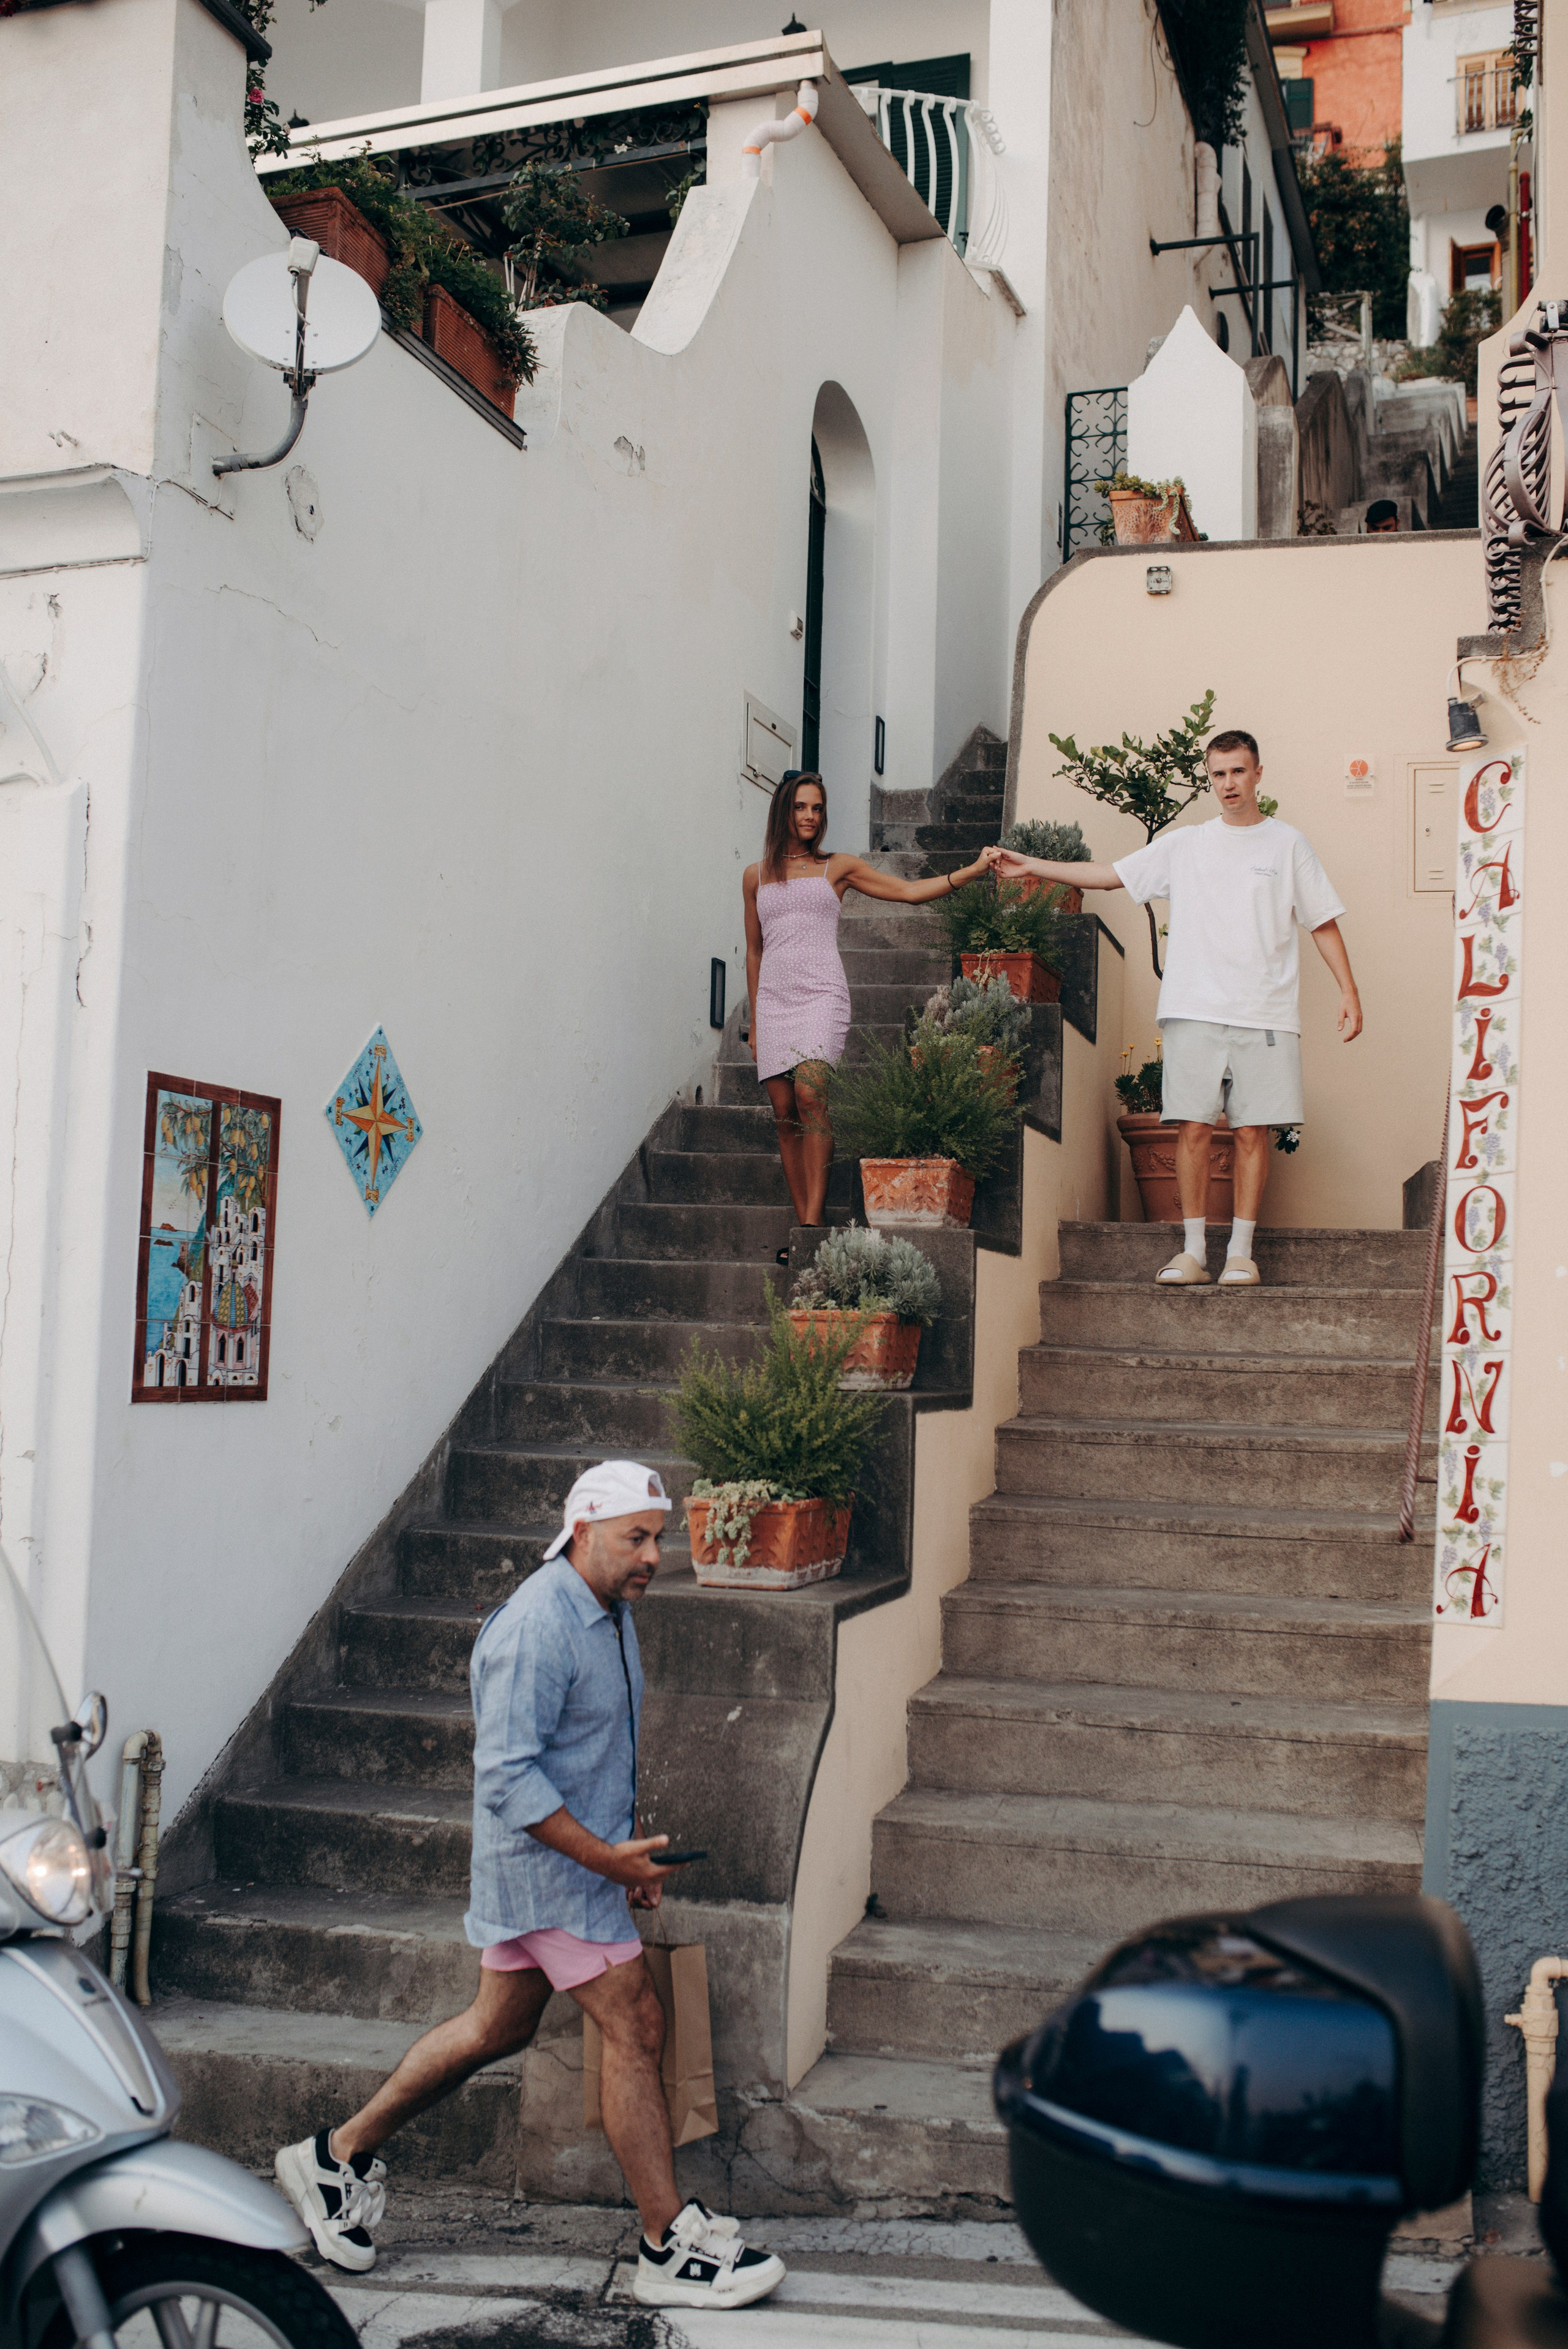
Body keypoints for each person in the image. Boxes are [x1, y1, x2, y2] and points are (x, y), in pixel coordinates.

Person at [274, 1460, 786, 2315]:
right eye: (636, 1536)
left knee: (495, 2027)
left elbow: (588, 1753)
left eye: (659, 1536)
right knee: (636, 2022)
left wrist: (628, 1860)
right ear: (582, 1530)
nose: (654, 1554)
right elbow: (509, 1779)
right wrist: (605, 1862)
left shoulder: (610, 1611)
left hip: (577, 1870)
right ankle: (668, 2242)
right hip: (551, 1876)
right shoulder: (535, 1626)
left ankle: (335, 2156)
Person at [992, 728, 1362, 1287]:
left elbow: (1322, 922)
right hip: (1194, 1007)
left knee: (1252, 1131)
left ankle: (1240, 1251)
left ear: (1258, 773)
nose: (1229, 783)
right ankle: (1193, 1251)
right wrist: (1033, 866)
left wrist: (1349, 992)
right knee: (1191, 1126)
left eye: (1239, 771)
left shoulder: (1288, 845)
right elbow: (1112, 876)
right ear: (1208, 777)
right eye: (1218, 774)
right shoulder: (1186, 844)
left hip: (1265, 1012)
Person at [744, 769, 996, 1251]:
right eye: (801, 807)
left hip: (822, 995)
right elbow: (754, 951)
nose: (810, 817)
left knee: (810, 1095)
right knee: (783, 1113)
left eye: (817, 808)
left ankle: (814, 1226)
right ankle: (803, 1229)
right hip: (775, 1002)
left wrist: (970, 871)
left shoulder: (836, 867)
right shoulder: (755, 876)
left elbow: (905, 891)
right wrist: (755, 1019)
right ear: (784, 810)